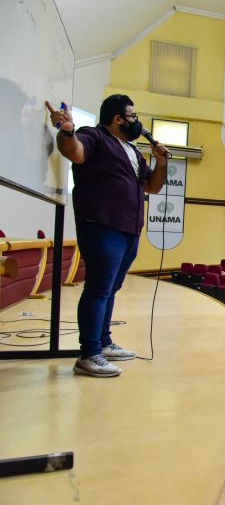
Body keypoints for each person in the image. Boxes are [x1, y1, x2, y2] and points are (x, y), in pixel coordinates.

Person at [47, 95, 168, 377]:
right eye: (133, 116)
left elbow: (152, 186)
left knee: (111, 289)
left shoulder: (133, 151)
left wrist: (160, 163)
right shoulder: (94, 136)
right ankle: (89, 354)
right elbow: (74, 152)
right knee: (98, 288)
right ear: (117, 118)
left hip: (129, 229)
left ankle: (103, 342)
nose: (137, 122)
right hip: (102, 225)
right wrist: (67, 131)